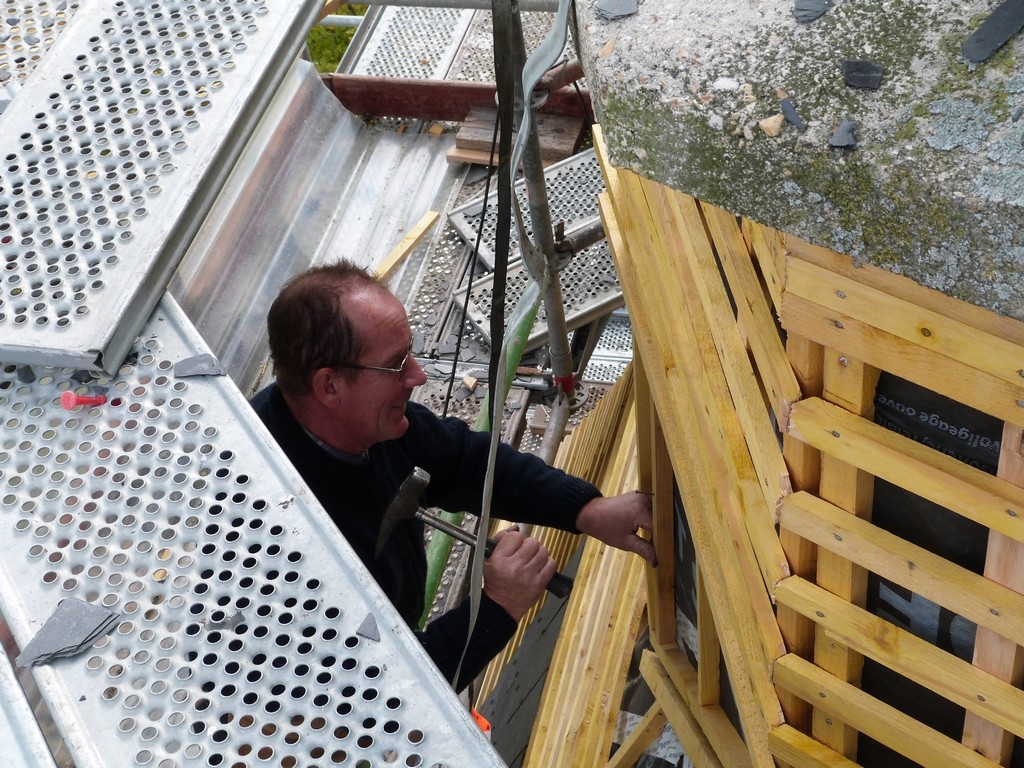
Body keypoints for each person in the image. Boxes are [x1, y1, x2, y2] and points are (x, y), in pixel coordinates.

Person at [251, 260, 655, 691]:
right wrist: (495, 608)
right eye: (395, 364)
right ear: (329, 386)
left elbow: (462, 461)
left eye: (412, 351)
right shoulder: (280, 549)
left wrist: (586, 508)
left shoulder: (368, 423)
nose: (418, 376)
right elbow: (372, 692)